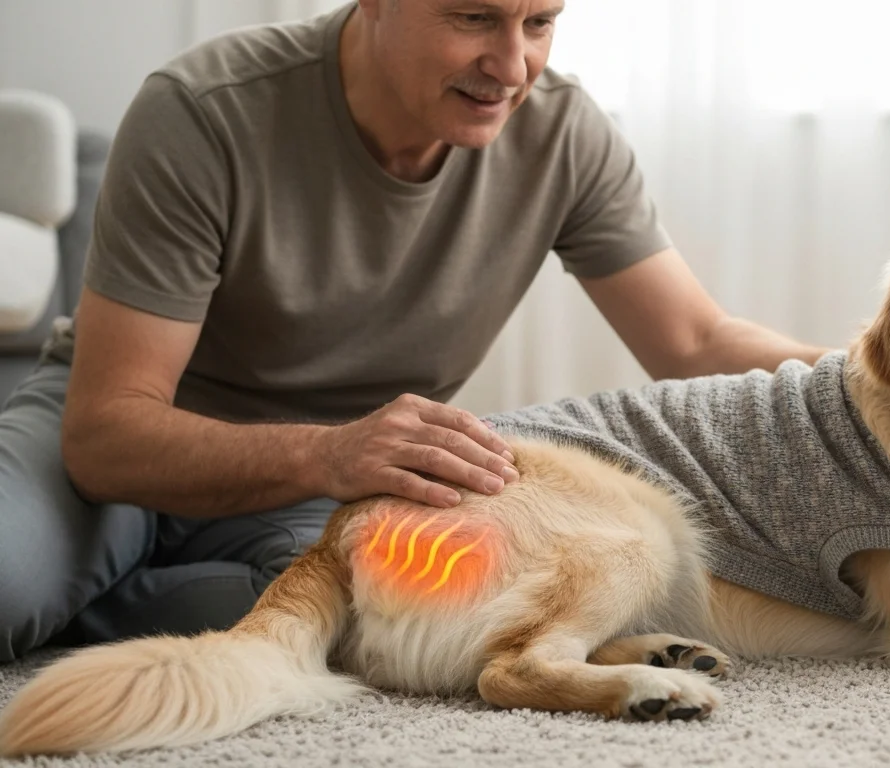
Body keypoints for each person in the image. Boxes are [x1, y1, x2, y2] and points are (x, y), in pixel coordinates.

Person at [0, 0, 827, 662]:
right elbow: (107, 435)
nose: (512, 68)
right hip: (133, 445)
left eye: (539, 23)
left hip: (336, 486)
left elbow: (696, 342)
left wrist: (889, 370)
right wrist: (327, 452)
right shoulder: (205, 111)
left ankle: (80, 599)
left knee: (408, 623)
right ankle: (60, 578)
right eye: (473, 19)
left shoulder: (563, 135)